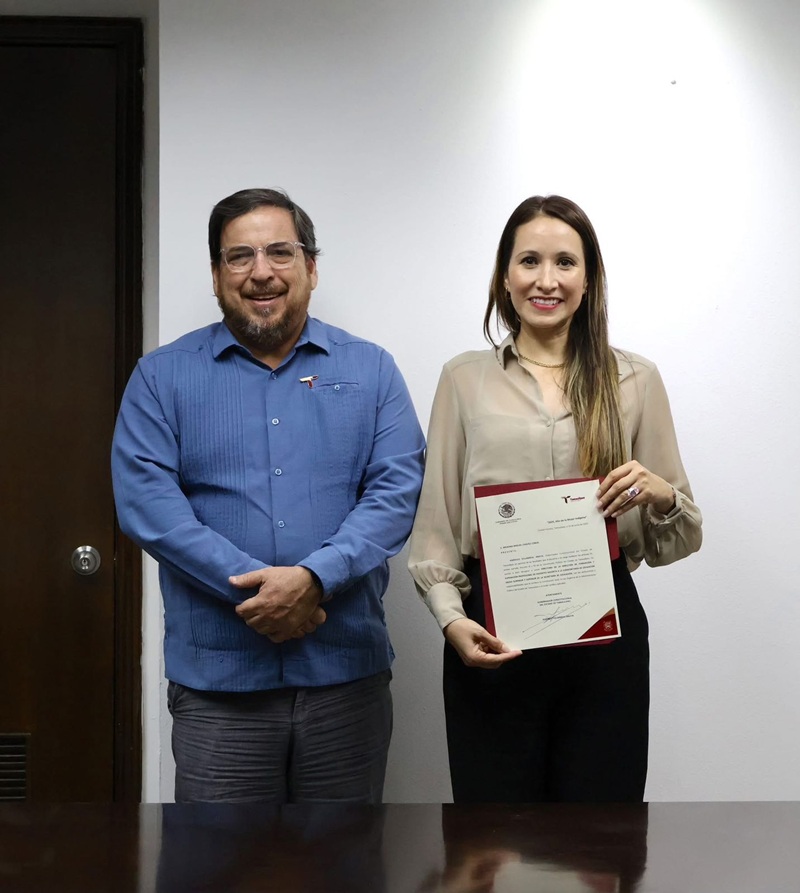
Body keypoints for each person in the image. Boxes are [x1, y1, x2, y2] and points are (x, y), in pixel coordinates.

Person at [112, 187, 425, 804]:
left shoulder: (372, 370)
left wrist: (315, 579)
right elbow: (149, 505)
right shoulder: (161, 377)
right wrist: (265, 592)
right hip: (218, 690)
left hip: (345, 680)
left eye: (281, 252)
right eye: (240, 256)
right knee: (220, 855)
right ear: (215, 274)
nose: (262, 272)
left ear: (311, 267)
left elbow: (396, 492)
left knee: (344, 854)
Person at [408, 195, 702, 803]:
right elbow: (437, 520)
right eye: (530, 261)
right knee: (494, 830)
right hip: (492, 628)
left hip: (604, 633)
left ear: (588, 279)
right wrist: (451, 618)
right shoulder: (463, 379)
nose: (547, 280)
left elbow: (680, 537)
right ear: (504, 276)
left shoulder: (635, 379)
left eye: (565, 262)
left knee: (602, 829)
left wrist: (658, 493)